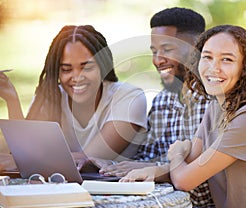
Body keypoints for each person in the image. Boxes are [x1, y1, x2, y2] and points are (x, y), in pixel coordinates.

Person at [121, 25, 246, 208]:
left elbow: (184, 180)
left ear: (245, 67)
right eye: (207, 57)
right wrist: (155, 171)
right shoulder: (217, 106)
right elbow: (191, 162)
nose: (213, 68)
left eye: (227, 59)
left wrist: (175, 154)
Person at [96, 7, 216, 208]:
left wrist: (155, 171)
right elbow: (150, 156)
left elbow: (207, 183)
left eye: (167, 49)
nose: (157, 60)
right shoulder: (162, 100)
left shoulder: (215, 103)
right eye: (154, 51)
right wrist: (108, 166)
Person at [0, 25, 147, 166]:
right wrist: (12, 99)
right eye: (66, 69)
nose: (77, 77)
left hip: (119, 189)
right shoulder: (52, 95)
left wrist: (25, 160)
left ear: (103, 66)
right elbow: (24, 150)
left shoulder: (129, 97)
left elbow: (88, 158)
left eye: (87, 68)